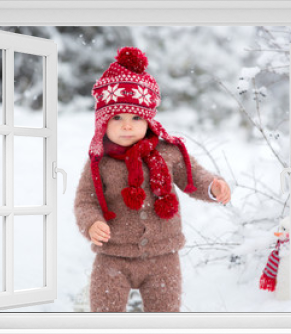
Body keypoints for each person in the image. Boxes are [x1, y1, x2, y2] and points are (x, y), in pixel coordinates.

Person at [74, 46, 231, 312]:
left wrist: (212, 186)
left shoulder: (167, 151)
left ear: (148, 120)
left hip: (163, 257)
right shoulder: (99, 159)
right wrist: (91, 223)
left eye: (136, 117)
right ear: (102, 122)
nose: (127, 125)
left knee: (165, 316)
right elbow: (84, 201)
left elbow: (192, 176)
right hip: (113, 256)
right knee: (104, 314)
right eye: (117, 118)